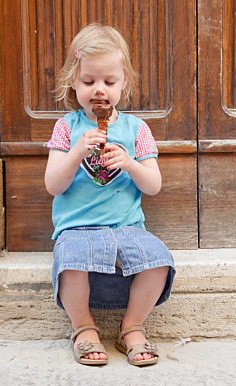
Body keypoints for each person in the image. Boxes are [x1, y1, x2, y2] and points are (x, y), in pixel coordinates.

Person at [44, 23, 175, 367]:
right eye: (89, 82)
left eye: (109, 82)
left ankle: (131, 327)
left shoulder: (137, 129)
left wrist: (130, 163)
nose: (98, 90)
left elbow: (153, 185)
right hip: (78, 228)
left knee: (158, 261)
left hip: (126, 227)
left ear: (124, 84)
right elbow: (53, 185)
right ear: (74, 81)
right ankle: (83, 327)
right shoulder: (66, 127)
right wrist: (75, 153)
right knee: (72, 262)